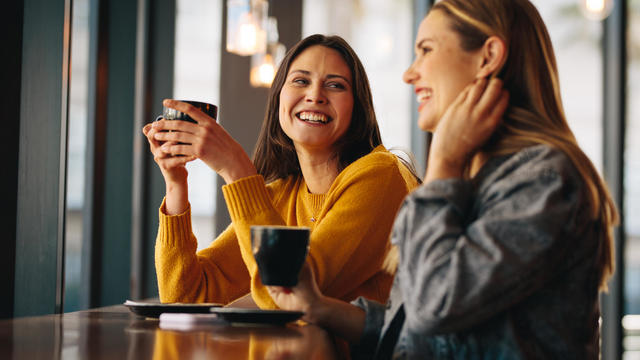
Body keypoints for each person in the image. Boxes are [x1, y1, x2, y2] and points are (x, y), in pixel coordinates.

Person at [266, 0, 619, 358]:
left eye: (426, 51)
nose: (409, 73)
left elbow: (436, 307)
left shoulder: (543, 180)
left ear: (488, 57)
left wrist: (443, 165)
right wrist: (320, 307)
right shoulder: (480, 177)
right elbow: (417, 331)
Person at [142, 34, 420, 309]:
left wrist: (236, 168)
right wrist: (176, 183)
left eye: (335, 85)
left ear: (357, 108)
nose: (315, 95)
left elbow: (291, 295)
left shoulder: (380, 176)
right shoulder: (281, 196)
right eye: (301, 81)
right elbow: (186, 298)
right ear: (278, 100)